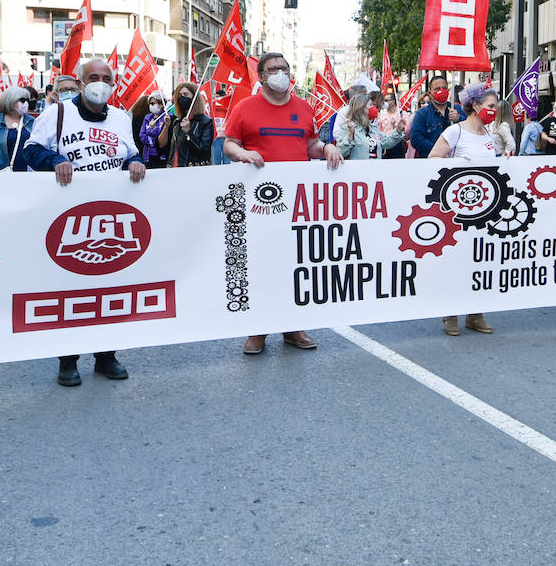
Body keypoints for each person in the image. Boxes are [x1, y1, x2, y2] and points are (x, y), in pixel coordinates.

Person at [24, 59, 147, 386]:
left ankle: (106, 355)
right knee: (71, 290)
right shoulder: (58, 114)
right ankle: (68, 359)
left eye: (107, 78)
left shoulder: (121, 118)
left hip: (109, 216)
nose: (100, 83)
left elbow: (130, 154)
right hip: (68, 217)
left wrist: (136, 164)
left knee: (109, 288)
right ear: (79, 83)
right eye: (93, 77)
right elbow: (31, 151)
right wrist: (55, 160)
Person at [223, 52, 342, 354]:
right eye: (273, 69)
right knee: (261, 264)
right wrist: (244, 154)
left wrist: (326, 147)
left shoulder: (303, 108)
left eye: (284, 69)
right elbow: (228, 144)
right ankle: (258, 330)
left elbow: (310, 144)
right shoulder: (244, 108)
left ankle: (293, 327)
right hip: (258, 202)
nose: (280, 73)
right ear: (261, 76)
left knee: (294, 264)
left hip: (296, 203)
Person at [429, 84, 501, 336]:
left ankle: (475, 313)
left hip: (485, 210)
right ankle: (450, 314)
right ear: (477, 106)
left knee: (480, 261)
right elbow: (433, 159)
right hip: (457, 210)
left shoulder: (489, 135)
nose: (494, 111)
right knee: (456, 262)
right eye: (491, 106)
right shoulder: (455, 132)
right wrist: (459, 165)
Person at [336, 91, 403, 160]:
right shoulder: (347, 128)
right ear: (361, 108)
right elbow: (341, 152)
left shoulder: (373, 127)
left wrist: (398, 130)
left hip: (375, 168)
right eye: (371, 105)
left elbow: (387, 143)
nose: (374, 108)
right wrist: (350, 134)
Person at [408, 74, 461, 158]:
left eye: (444, 88)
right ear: (430, 93)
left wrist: (459, 118)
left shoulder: (457, 109)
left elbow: (470, 128)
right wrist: (438, 149)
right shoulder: (422, 113)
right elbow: (415, 139)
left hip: (454, 161)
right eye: (437, 89)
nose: (441, 91)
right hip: (430, 161)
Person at [168, 82, 214, 167]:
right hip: (173, 171)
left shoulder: (205, 122)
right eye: (179, 95)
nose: (182, 98)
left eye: (185, 94)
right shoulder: (177, 122)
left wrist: (188, 133)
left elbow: (204, 152)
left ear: (194, 97)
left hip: (191, 171)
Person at [136, 92, 172, 168]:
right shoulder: (147, 117)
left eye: (152, 103)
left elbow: (164, 138)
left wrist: (154, 129)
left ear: (161, 104)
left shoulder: (168, 117)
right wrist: (155, 142)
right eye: (150, 104)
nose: (150, 106)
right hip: (148, 155)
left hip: (162, 156)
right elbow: (142, 136)